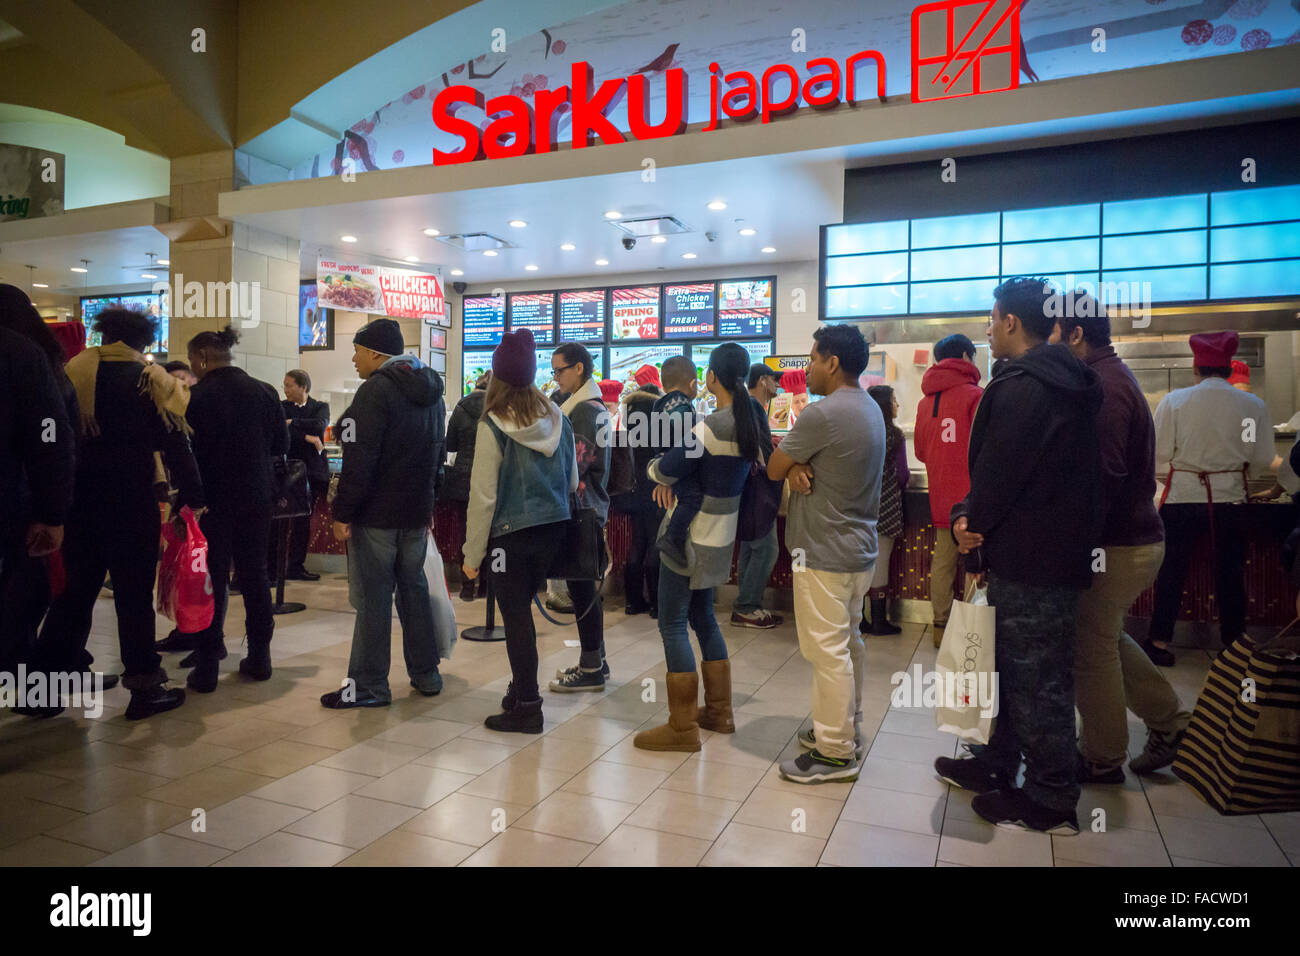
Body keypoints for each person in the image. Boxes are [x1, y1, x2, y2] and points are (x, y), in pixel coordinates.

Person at [936, 276, 1103, 835]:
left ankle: (1052, 797)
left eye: (991, 317)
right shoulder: (1065, 379)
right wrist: (970, 512)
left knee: (1037, 680)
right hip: (1046, 553)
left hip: (1031, 559)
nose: (986, 328)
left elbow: (999, 474)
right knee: (1008, 670)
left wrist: (969, 522)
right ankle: (996, 765)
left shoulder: (1025, 385)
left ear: (1010, 322)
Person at [33, 308, 202, 720]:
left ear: (104, 335)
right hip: (131, 505)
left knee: (73, 597)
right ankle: (144, 689)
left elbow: (48, 438)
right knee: (132, 599)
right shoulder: (150, 382)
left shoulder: (71, 375)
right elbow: (176, 444)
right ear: (143, 342)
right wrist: (193, 498)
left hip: (80, 505)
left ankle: (44, 692)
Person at [1050, 297, 1192, 782]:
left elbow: (1103, 477)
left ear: (1073, 336)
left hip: (1116, 543)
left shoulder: (1103, 386)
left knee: (1090, 649)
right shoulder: (1110, 376)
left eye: (1053, 333)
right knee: (1104, 637)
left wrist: (1070, 542)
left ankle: (1102, 757)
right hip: (1132, 540)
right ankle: (1172, 722)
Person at [634, 343, 761, 752]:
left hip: (689, 538)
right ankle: (719, 712)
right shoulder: (750, 424)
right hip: (722, 537)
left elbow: (666, 467)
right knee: (704, 617)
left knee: (671, 623)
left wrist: (656, 473)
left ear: (711, 378)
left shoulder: (710, 427)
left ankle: (682, 727)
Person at [768, 325, 883, 783]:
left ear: (833, 362)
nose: (807, 368)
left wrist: (793, 464)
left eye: (812, 359)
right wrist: (803, 465)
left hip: (823, 552)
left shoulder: (823, 414)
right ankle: (843, 729)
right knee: (849, 641)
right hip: (858, 551)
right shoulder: (870, 407)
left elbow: (774, 465)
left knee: (826, 651)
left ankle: (835, 753)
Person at [323, 318, 446, 708]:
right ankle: (426, 674)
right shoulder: (433, 393)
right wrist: (428, 505)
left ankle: (369, 686)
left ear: (376, 353)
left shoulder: (374, 391)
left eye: (357, 351)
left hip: (376, 515)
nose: (354, 360)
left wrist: (343, 512)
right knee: (414, 593)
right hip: (414, 514)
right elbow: (437, 458)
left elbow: (360, 460)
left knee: (374, 598)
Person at [464, 329, 577, 733]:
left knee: (516, 620)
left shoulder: (492, 425)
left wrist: (472, 556)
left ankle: (527, 705)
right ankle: (520, 692)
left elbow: (483, 497)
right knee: (523, 617)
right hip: (553, 531)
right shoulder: (557, 416)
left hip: (510, 537)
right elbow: (573, 481)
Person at [1146, 331, 1274, 665]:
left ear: (1196, 366)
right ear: (1229, 368)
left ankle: (1159, 642)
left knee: (1171, 571)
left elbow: (1159, 453)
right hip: (1230, 501)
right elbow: (1259, 456)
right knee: (1230, 573)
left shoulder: (1175, 402)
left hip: (1182, 500)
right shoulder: (1250, 406)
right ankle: (1233, 649)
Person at [183, 326, 288, 692]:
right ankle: (260, 657)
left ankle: (208, 665)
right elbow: (281, 444)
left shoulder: (195, 398)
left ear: (202, 357)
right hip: (257, 497)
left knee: (210, 580)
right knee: (255, 575)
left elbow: (186, 453)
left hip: (212, 501)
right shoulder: (265, 391)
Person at [0, 287, 80, 679]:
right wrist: (53, 512)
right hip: (14, 506)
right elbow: (49, 437)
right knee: (18, 606)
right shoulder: (25, 355)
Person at [548, 342, 612, 692]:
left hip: (582, 508)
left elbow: (576, 463)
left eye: (560, 370)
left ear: (579, 370)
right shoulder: (588, 405)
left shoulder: (585, 410)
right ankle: (597, 661)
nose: (555, 377)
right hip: (590, 507)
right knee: (583, 587)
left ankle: (591, 667)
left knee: (582, 589)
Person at [914, 334, 982, 647]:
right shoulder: (975, 395)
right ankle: (972, 631)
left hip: (941, 499)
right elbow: (985, 450)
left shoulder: (925, 401)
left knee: (941, 563)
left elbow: (920, 451)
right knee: (976, 563)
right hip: (973, 501)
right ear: (966, 357)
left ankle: (940, 628)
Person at [731, 363, 784, 629]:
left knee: (753, 546)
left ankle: (747, 603)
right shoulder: (753, 406)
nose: (778, 385)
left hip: (748, 487)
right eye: (775, 380)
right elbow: (758, 448)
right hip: (759, 487)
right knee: (765, 547)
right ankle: (746, 606)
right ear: (762, 380)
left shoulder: (752, 407)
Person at [614, 365, 664, 617]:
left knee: (637, 543)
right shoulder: (658, 415)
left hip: (631, 492)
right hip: (655, 490)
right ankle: (656, 603)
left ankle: (633, 601)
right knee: (655, 543)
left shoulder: (629, 414)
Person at [862, 384, 910, 636]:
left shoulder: (860, 433)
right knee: (880, 562)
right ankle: (879, 620)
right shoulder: (894, 435)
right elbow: (903, 475)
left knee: (860, 562)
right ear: (884, 405)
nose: (897, 404)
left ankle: (859, 618)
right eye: (893, 399)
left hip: (860, 507)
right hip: (888, 506)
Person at [280, 369, 330, 581]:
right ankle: (277, 565)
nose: (285, 389)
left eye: (289, 385)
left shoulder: (320, 407)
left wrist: (294, 424)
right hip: (287, 472)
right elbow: (281, 432)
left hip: (313, 472)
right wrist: (308, 437)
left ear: (303, 387)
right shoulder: (281, 407)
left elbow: (320, 425)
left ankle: (296, 566)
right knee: (282, 521)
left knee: (303, 521)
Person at [445, 371, 490, 601]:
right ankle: (487, 587)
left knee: (465, 532)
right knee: (490, 533)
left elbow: (450, 444)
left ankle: (466, 586)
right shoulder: (497, 407)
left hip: (463, 478)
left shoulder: (461, 408)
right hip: (490, 477)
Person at [652, 356, 701, 567]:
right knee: (693, 497)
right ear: (692, 384)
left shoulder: (658, 403)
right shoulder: (684, 405)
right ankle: (674, 538)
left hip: (662, 460)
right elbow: (687, 440)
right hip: (678, 463)